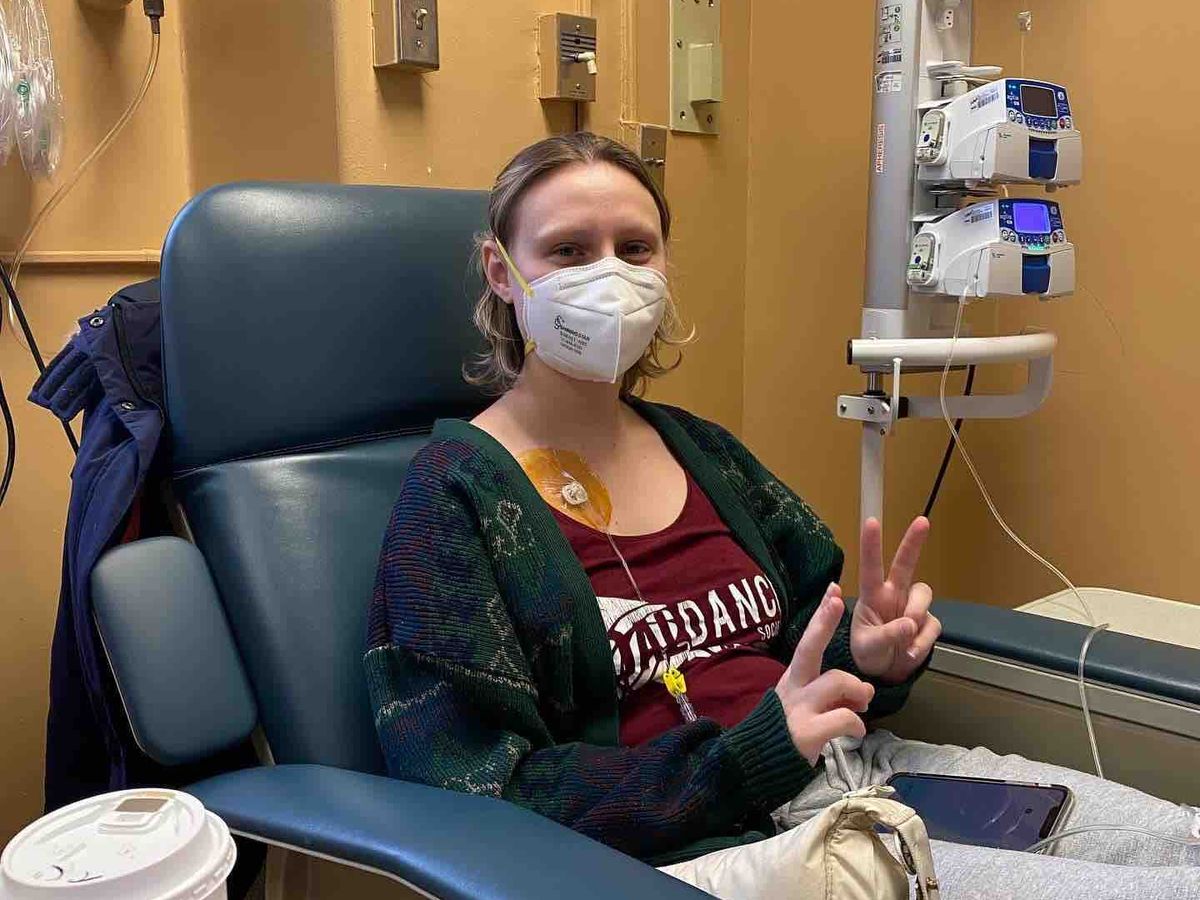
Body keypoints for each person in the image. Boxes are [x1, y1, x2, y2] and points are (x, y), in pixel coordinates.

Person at [364, 132, 1200, 898]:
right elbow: (484, 789)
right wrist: (747, 757)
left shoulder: (705, 452)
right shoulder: (455, 499)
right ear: (502, 272)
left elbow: (805, 646)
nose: (609, 276)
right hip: (712, 844)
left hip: (860, 773)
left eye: (635, 248)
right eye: (569, 251)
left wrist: (865, 655)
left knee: (1184, 843)